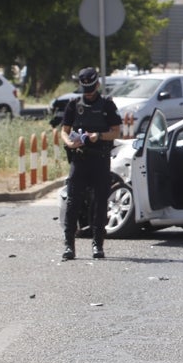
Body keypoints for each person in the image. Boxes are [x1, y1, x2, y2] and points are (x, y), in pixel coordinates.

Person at [60, 67, 122, 260]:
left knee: (100, 203)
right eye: (85, 88)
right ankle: (69, 245)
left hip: (100, 160)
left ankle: (98, 244)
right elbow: (64, 130)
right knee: (73, 202)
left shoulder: (107, 105)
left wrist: (99, 136)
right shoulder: (73, 104)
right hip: (80, 159)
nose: (88, 92)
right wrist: (69, 142)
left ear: (97, 85)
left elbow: (116, 131)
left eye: (91, 87)